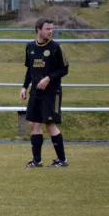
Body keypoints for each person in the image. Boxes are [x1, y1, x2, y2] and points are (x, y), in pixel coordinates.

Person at [21, 18, 69, 168]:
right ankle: (37, 161)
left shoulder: (56, 47)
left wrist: (48, 78)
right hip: (35, 92)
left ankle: (62, 160)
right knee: (33, 124)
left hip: (52, 93)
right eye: (47, 29)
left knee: (49, 124)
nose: (50, 31)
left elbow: (64, 70)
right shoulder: (30, 47)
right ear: (38, 30)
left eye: (51, 29)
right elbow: (30, 70)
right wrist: (24, 87)